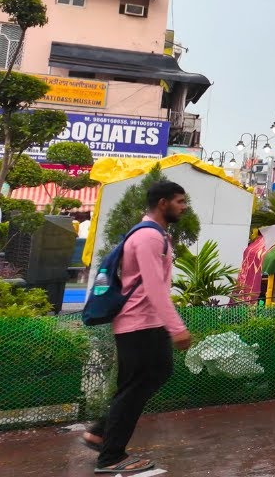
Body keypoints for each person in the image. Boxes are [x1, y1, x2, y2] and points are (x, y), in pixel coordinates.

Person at [81, 181, 192, 475]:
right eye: (180, 201)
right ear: (163, 203)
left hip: (146, 323)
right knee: (138, 384)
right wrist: (177, 328)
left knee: (149, 377)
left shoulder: (155, 235)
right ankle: (111, 456)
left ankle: (100, 433)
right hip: (139, 323)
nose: (184, 207)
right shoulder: (148, 237)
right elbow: (155, 287)